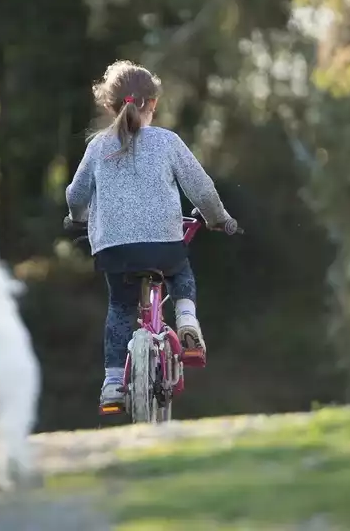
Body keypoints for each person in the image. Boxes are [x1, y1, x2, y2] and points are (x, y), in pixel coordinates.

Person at [64, 60, 240, 410]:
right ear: (154, 104)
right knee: (180, 273)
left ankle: (113, 383)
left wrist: (77, 218)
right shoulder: (167, 142)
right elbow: (202, 190)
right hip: (163, 245)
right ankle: (187, 320)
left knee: (120, 306)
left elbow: (76, 193)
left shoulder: (98, 147)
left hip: (114, 250)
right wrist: (218, 218)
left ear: (109, 105)